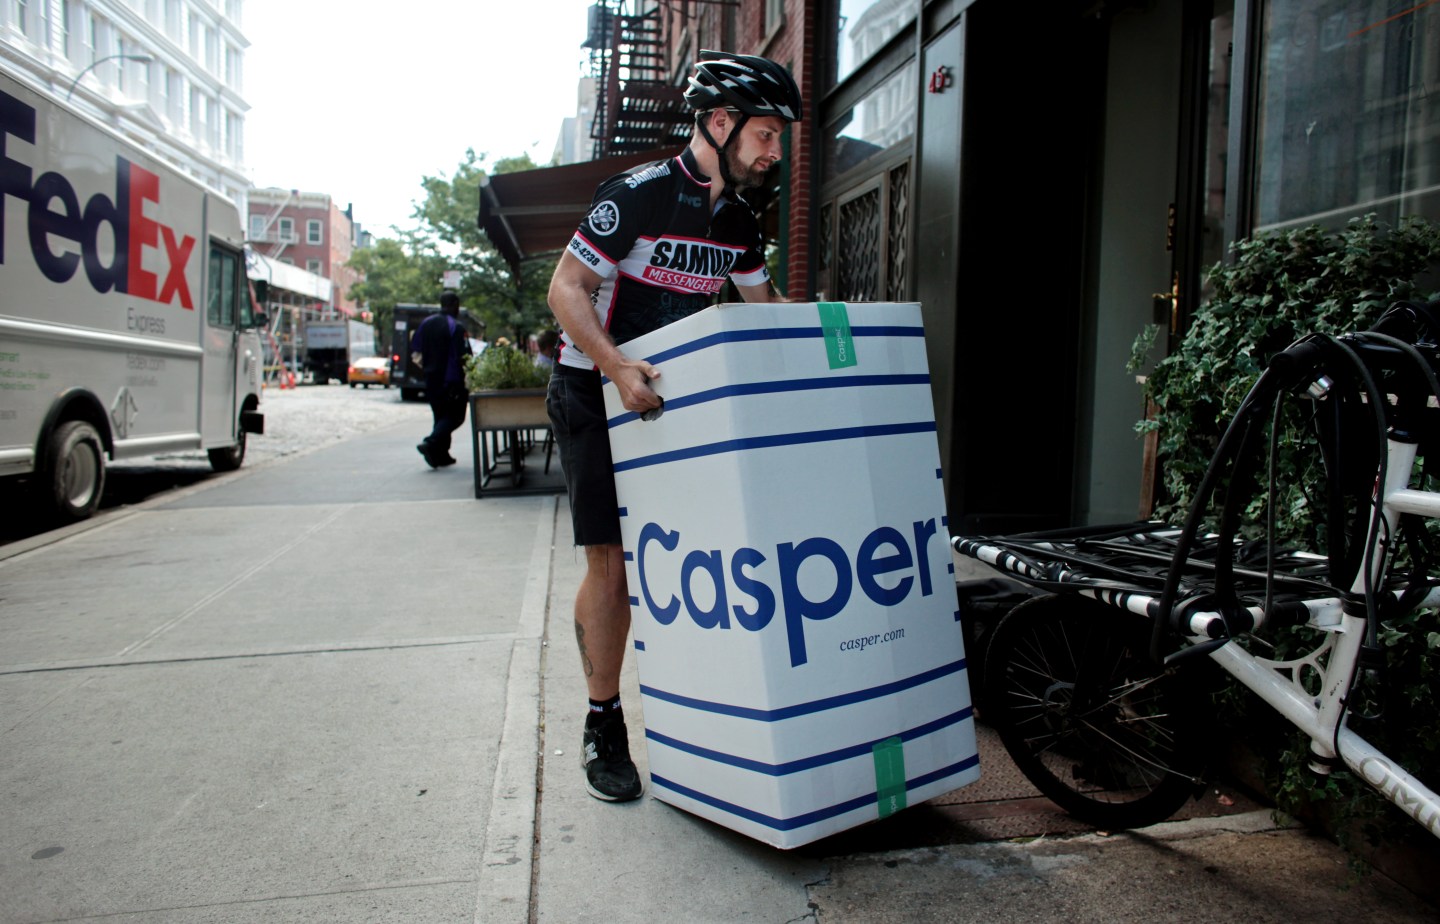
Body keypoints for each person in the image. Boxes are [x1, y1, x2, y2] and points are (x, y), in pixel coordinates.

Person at [544, 50, 803, 802]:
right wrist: (616, 366)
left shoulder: (739, 219)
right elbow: (567, 289)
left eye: (778, 138)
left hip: (662, 399)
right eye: (764, 134)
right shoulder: (639, 196)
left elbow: (766, 310)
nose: (773, 151)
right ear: (718, 124)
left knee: (692, 556)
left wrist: (840, 334)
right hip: (593, 393)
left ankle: (699, 708)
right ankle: (602, 721)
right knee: (614, 566)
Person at [411, 291, 471, 468]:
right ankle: (431, 442)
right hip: (451, 380)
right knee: (455, 416)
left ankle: (441, 454)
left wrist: (428, 366)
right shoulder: (456, 327)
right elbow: (465, 356)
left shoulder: (426, 324)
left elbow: (415, 349)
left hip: (432, 379)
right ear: (454, 304)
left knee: (440, 416)